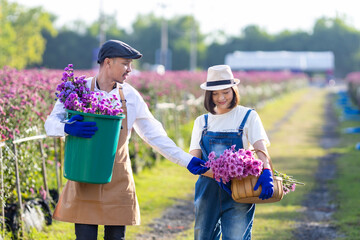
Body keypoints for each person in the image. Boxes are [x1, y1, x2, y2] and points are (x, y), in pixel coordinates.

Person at [44, 39, 208, 240]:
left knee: (116, 238)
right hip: (84, 175)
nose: (130, 70)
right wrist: (67, 127)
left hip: (117, 178)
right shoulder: (77, 90)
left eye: (131, 65)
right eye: (125, 63)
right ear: (108, 62)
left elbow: (153, 135)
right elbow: (50, 124)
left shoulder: (130, 95)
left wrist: (186, 160)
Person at [189, 65, 274, 240]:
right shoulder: (202, 122)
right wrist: (211, 172)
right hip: (208, 190)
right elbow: (194, 158)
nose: (221, 98)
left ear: (234, 90)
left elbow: (260, 148)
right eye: (215, 93)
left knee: (236, 237)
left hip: (240, 188)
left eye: (226, 92)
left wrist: (267, 171)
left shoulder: (248, 116)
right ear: (209, 95)